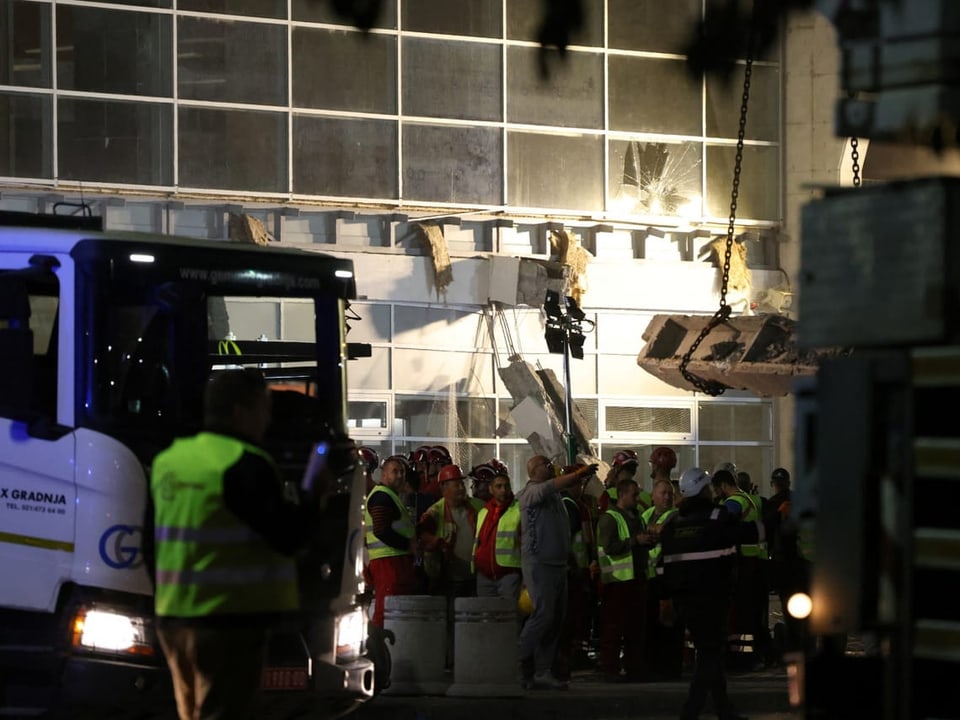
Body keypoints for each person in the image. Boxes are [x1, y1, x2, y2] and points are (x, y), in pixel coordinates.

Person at [146, 368, 323, 720]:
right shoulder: (245, 462)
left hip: (174, 619)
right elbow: (288, 537)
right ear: (241, 412)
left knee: (194, 712)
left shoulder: (169, 461)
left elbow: (148, 544)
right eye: (263, 409)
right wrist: (313, 494)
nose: (267, 419)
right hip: (228, 621)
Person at [659, 467, 764, 720]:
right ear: (705, 489)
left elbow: (662, 565)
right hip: (712, 599)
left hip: (684, 601)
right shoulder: (718, 516)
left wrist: (665, 601)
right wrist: (778, 520)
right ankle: (690, 712)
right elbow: (750, 534)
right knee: (709, 655)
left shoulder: (673, 524)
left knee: (711, 653)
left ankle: (724, 710)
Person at [517, 455, 598, 690]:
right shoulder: (530, 493)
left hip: (557, 565)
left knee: (554, 621)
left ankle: (543, 671)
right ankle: (515, 660)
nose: (550, 466)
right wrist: (577, 475)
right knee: (543, 615)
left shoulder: (555, 498)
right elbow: (552, 486)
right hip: (539, 563)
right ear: (533, 469)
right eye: (545, 463)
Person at [596, 477, 653, 682]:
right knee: (614, 627)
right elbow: (609, 547)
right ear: (621, 495)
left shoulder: (637, 517)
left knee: (636, 628)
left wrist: (647, 541)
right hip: (618, 581)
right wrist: (635, 541)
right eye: (634, 495)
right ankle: (610, 669)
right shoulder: (610, 518)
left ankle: (634, 668)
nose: (638, 499)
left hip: (636, 578)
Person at [717, 469, 772, 668]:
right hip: (757, 563)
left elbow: (725, 528)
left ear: (723, 486)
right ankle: (759, 655)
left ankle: (741, 657)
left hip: (742, 565)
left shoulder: (732, 502)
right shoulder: (752, 499)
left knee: (740, 613)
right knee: (755, 613)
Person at [365, 454, 419, 628]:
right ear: (384, 475)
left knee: (392, 611)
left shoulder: (390, 495)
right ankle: (378, 648)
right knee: (386, 610)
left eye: (402, 472)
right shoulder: (382, 496)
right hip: (388, 563)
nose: (400, 475)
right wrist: (408, 545)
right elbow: (381, 530)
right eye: (395, 471)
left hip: (394, 561)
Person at [641, 478, 684, 681]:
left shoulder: (676, 515)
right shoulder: (647, 514)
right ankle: (654, 664)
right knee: (652, 625)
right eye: (663, 493)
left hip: (668, 576)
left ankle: (670, 667)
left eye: (670, 494)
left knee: (670, 624)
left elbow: (661, 531)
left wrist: (652, 531)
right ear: (653, 496)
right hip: (650, 577)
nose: (667, 497)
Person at [473, 472, 522, 604]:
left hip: (508, 573)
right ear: (491, 489)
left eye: (506, 486)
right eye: (498, 486)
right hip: (484, 575)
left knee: (508, 615)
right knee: (486, 616)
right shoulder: (484, 512)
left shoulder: (519, 510)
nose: (503, 490)